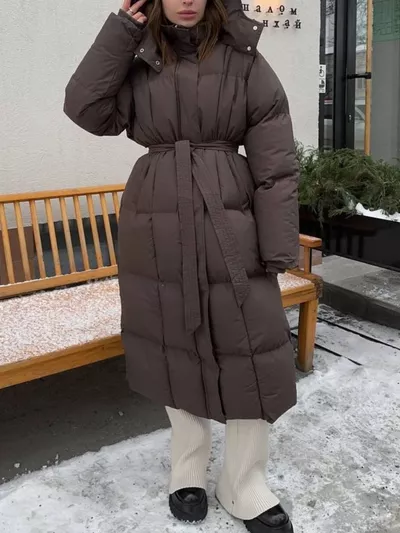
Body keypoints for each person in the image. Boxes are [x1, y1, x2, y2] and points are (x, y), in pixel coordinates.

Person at [64, 0, 299, 530]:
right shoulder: (141, 59)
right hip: (156, 223)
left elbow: (276, 165)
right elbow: (84, 107)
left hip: (232, 222)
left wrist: (277, 245)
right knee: (172, 343)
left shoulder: (244, 60)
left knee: (251, 351)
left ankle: (243, 481)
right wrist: (121, 32)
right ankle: (186, 468)